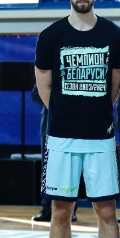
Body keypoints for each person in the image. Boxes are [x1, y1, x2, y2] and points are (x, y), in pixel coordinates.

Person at [35, 0, 120, 238]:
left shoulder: (114, 34)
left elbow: (115, 84)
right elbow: (44, 84)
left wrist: (94, 112)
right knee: (60, 211)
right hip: (61, 139)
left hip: (100, 138)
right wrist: (64, 113)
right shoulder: (51, 35)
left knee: (107, 211)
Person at [30, 85, 77, 223]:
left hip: (72, 127)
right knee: (47, 170)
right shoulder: (47, 75)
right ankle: (46, 209)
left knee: (71, 170)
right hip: (49, 127)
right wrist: (56, 97)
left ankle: (71, 210)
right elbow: (35, 94)